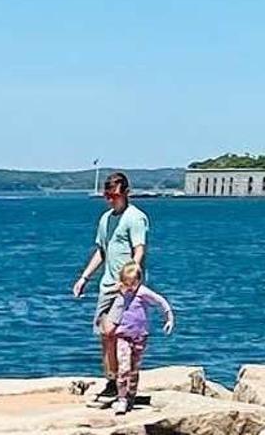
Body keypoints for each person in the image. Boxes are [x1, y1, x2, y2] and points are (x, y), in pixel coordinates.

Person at [70, 171, 148, 407]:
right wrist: (84, 277)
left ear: (126, 193)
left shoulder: (135, 218)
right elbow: (102, 252)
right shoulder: (105, 220)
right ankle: (111, 380)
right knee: (104, 336)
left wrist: (131, 281)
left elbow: (139, 250)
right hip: (106, 285)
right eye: (107, 196)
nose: (111, 200)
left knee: (115, 333)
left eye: (114, 195)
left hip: (125, 288)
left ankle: (121, 385)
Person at [100, 261, 175, 415]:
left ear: (138, 281)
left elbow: (160, 300)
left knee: (134, 370)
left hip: (140, 336)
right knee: (124, 368)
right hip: (123, 336)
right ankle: (121, 398)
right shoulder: (120, 292)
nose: (129, 288)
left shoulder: (142, 292)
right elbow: (107, 296)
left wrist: (169, 317)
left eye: (132, 284)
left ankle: (131, 396)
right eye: (126, 284)